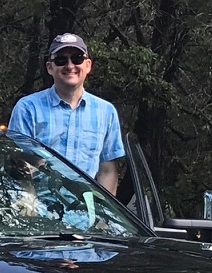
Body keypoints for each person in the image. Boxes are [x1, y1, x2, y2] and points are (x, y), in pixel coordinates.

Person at [7, 32, 124, 194]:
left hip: (85, 208)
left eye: (77, 59)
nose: (70, 66)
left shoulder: (106, 112)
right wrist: (30, 201)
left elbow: (107, 170)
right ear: (50, 67)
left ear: (88, 65)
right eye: (61, 60)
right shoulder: (28, 108)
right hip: (37, 206)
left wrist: (103, 210)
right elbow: (18, 164)